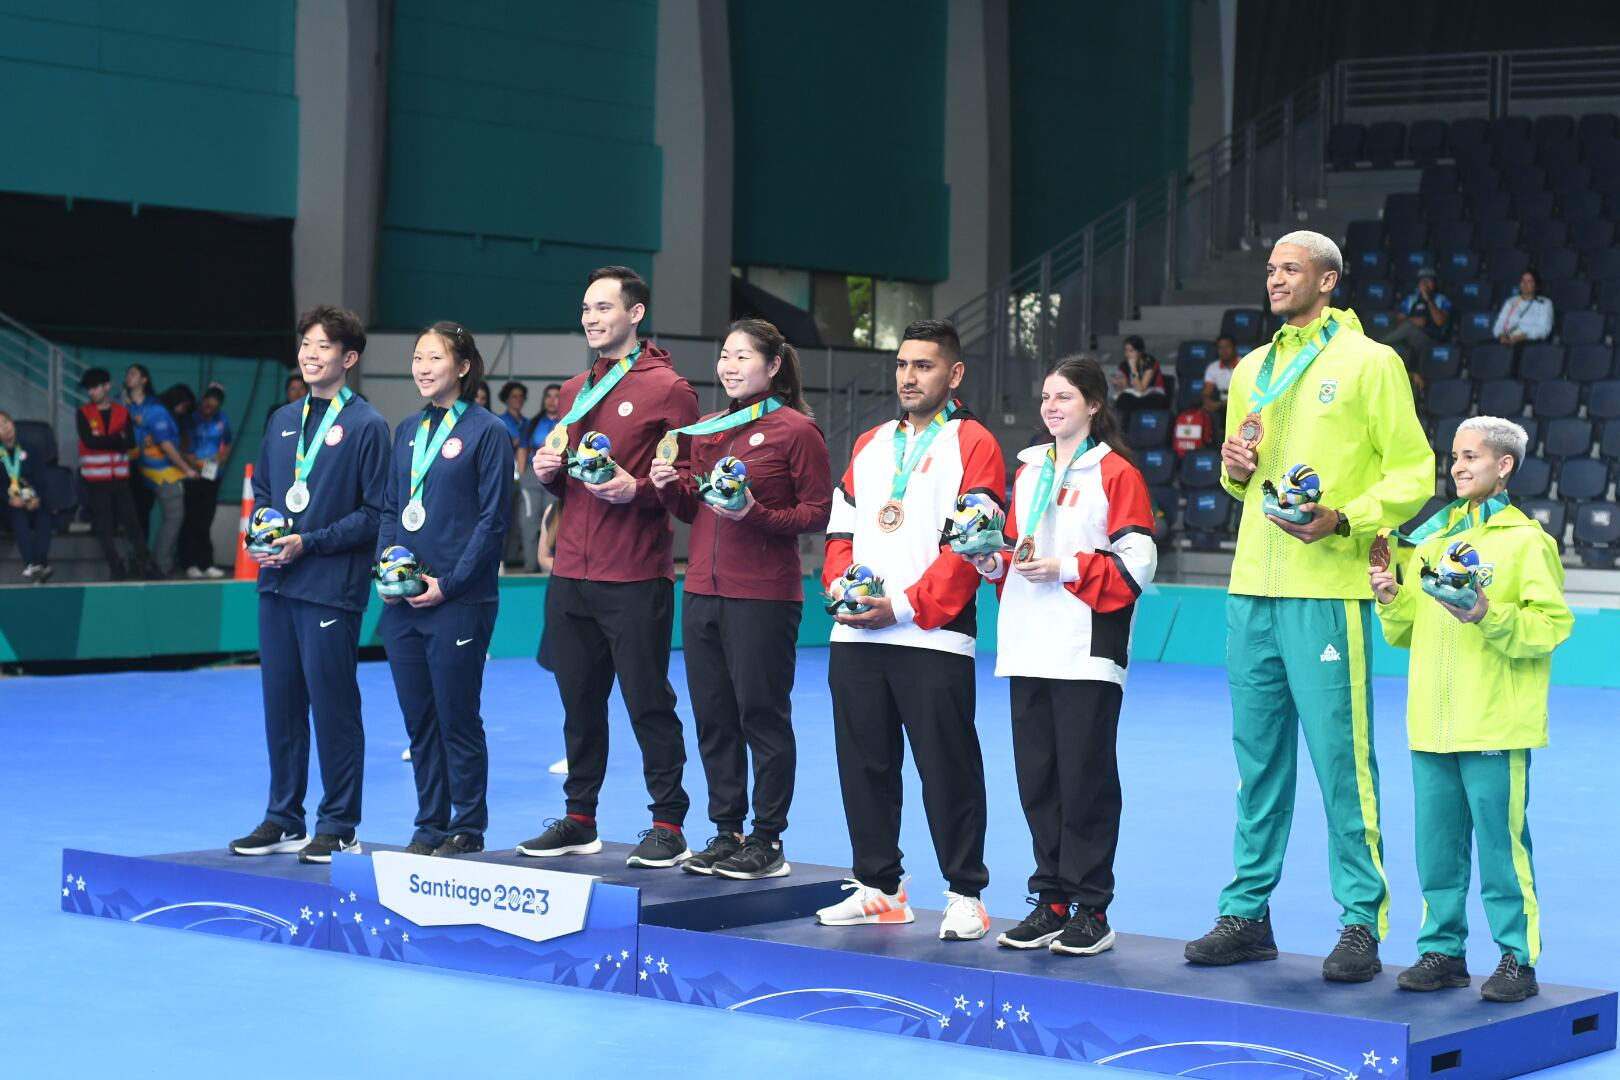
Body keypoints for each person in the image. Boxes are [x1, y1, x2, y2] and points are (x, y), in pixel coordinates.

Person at [1184, 230, 1434, 981]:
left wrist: (1345, 518)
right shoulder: (1252, 369)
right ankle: (1248, 911)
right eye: (1268, 269)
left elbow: (1415, 472)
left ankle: (1361, 919)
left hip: (1326, 588)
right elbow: (1242, 482)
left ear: (1328, 281)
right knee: (1256, 762)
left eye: (1289, 269)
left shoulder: (1372, 362)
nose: (1274, 279)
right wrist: (1233, 471)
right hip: (1251, 586)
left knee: (1341, 763)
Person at [812, 318, 1006, 940]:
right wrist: (842, 591)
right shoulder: (870, 443)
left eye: (923, 365)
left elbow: (969, 545)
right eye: (901, 364)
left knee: (946, 766)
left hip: (932, 633)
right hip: (856, 634)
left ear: (953, 376)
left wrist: (901, 605)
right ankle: (878, 887)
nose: (908, 376)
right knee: (863, 764)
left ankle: (966, 894)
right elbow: (840, 534)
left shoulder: (975, 444)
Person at [1371, 416, 1572, 1003]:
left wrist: (1488, 614)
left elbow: (1551, 625)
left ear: (1504, 465)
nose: (1456, 467)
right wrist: (1391, 598)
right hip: (1430, 723)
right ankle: (1443, 951)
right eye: (1453, 457)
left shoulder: (1526, 541)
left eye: (1470, 457)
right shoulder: (1432, 541)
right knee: (1436, 849)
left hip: (1494, 723)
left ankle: (1516, 958)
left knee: (1502, 849)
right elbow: (1409, 629)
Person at [968, 356, 1156, 956]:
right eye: (1046, 397)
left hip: (1085, 646)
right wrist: (992, 562)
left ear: (1094, 405)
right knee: (1038, 780)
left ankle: (1091, 908)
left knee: (1086, 780)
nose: (1051, 407)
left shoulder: (1115, 473)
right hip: (1027, 642)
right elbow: (1018, 552)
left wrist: (1065, 567)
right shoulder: (1026, 470)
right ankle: (1049, 899)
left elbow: (1138, 562)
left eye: (1065, 397)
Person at [516, 265, 700, 869]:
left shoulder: (671, 390)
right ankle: (579, 819)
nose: (591, 317)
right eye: (586, 308)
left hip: (635, 574)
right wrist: (550, 478)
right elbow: (574, 480)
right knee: (579, 702)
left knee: (647, 700)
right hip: (571, 572)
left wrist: (640, 490)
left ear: (636, 313)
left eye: (604, 307)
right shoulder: (573, 391)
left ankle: (668, 822)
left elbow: (687, 489)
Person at [649, 318, 833, 880]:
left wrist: (757, 513)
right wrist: (667, 486)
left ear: (773, 366)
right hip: (701, 591)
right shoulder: (706, 427)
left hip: (764, 596)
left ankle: (768, 839)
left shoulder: (797, 430)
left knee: (762, 717)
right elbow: (691, 510)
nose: (728, 366)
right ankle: (726, 830)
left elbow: (819, 513)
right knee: (713, 718)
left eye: (742, 356)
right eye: (724, 356)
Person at [230, 306, 389, 864]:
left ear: (348, 358)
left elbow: (376, 514)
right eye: (305, 344)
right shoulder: (280, 420)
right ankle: (283, 816)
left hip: (329, 587)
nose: (310, 354)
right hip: (276, 584)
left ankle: (340, 823)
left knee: (333, 706)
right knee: (281, 704)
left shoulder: (368, 425)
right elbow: (269, 494)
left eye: (323, 346)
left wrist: (310, 542)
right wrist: (263, 535)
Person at [378, 322, 511, 856]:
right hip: (402, 602)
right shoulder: (407, 430)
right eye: (417, 357)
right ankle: (429, 822)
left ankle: (467, 825)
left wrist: (449, 584)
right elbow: (392, 507)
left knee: (457, 716)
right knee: (419, 721)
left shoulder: (488, 431)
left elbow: (493, 520)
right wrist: (386, 569)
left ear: (463, 367)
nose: (423, 367)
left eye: (435, 358)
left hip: (458, 601)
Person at [76, 368, 155, 580]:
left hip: (120, 478)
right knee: (104, 526)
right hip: (95, 480)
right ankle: (116, 566)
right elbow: (89, 442)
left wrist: (105, 440)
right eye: (89, 388)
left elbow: (129, 442)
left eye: (95, 387)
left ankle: (143, 563)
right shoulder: (83, 412)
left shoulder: (122, 411)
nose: (91, 392)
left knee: (132, 523)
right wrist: (115, 439)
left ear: (106, 386)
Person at [125, 367, 196, 576]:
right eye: (184, 406)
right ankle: (159, 563)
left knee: (142, 519)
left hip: (138, 470)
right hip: (155, 471)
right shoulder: (156, 411)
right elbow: (165, 445)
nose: (183, 411)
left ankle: (144, 562)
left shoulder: (144, 408)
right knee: (172, 516)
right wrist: (187, 469)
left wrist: (185, 458)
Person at [179, 383, 233, 578]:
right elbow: (182, 447)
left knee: (206, 520)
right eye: (208, 401)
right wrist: (193, 462)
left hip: (212, 476)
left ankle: (206, 562)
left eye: (216, 402)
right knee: (191, 518)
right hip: (192, 475)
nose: (211, 405)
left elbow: (227, 443)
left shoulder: (222, 420)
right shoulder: (190, 419)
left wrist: (221, 457)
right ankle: (188, 562)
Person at [515, 383, 563, 572]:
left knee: (552, 520)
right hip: (532, 477)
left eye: (556, 396)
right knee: (529, 521)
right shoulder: (533, 423)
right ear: (543, 400)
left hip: (557, 476)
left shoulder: (568, 421)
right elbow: (522, 449)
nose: (552, 400)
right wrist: (521, 474)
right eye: (548, 396)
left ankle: (550, 569)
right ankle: (530, 567)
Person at [0, 411, 53, 583]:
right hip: (8, 506)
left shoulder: (31, 449)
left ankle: (38, 563)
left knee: (44, 515)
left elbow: (41, 479)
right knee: (18, 517)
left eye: (6, 422)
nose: (5, 428)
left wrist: (36, 498)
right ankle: (33, 563)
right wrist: (10, 500)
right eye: (0, 427)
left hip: (31, 501)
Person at [1378, 267, 1452, 385]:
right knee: (1403, 346)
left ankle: (1378, 345)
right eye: (1423, 281)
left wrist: (1428, 300)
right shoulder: (1411, 299)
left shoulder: (1442, 300)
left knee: (1408, 328)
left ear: (1435, 283)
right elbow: (1398, 320)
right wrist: (1413, 319)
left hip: (1432, 338)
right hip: (1412, 340)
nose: (1426, 284)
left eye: (1429, 280)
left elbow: (1440, 322)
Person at [1110, 335, 1167, 420]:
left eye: (1131, 351)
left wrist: (1133, 367)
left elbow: (1141, 388)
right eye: (1126, 350)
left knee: (1130, 401)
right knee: (1122, 399)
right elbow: (1127, 387)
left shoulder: (1150, 362)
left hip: (1153, 394)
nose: (1127, 354)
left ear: (1140, 352)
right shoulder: (1124, 364)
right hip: (1135, 395)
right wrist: (1118, 383)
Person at [1493, 269, 1554, 345]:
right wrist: (1501, 336)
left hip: (1530, 342)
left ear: (1536, 284)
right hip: (1507, 340)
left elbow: (1543, 329)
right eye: (1523, 281)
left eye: (1529, 281)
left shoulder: (1545, 303)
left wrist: (1522, 337)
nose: (1525, 284)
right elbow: (1499, 324)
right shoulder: (1510, 301)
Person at [1200, 335, 1241, 428]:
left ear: (1234, 348)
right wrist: (1207, 401)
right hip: (1220, 404)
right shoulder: (1213, 367)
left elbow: (1245, 393)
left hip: (1238, 403)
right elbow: (1207, 391)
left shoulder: (1244, 364)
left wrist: (1222, 404)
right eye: (1220, 348)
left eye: (1227, 347)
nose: (1224, 351)